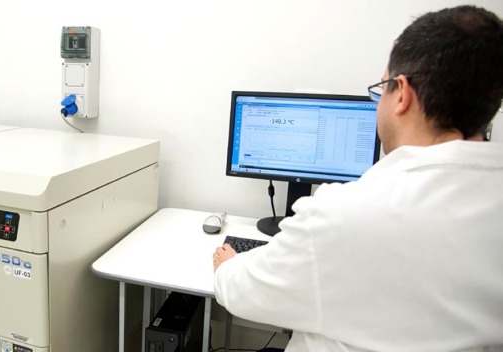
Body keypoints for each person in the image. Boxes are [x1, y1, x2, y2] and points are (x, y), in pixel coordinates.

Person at [212, 5, 503, 352]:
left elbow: (245, 294)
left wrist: (228, 266)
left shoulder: (343, 213)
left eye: (381, 88)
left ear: (403, 94)